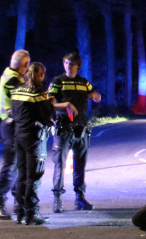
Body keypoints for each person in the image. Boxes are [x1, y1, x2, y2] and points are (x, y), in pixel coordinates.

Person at [13, 63, 77, 225]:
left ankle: (20, 211)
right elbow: (48, 117)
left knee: (22, 174)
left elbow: (14, 113)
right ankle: (32, 213)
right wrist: (51, 103)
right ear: (40, 75)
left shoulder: (18, 90)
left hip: (19, 136)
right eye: (43, 74)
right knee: (34, 175)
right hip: (34, 138)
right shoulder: (40, 92)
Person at [49, 52, 101, 212]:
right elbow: (50, 103)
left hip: (81, 128)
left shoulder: (83, 82)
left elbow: (95, 96)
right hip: (64, 127)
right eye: (66, 63)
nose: (68, 66)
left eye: (71, 64)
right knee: (60, 164)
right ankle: (57, 199)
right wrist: (66, 105)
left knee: (80, 164)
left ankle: (80, 198)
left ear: (78, 66)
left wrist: (95, 96)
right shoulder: (58, 81)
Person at [0, 49, 30, 219]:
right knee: (12, 166)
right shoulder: (13, 80)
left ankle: (19, 202)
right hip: (11, 125)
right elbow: (23, 102)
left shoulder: (8, 74)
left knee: (18, 165)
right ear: (24, 64)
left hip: (10, 124)